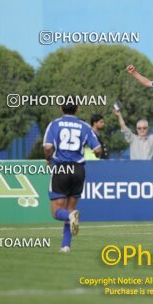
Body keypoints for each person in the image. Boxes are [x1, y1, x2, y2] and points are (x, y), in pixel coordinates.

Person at [43, 99, 101, 253]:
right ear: (78, 108)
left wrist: (48, 159)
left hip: (61, 168)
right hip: (78, 170)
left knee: (57, 211)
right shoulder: (84, 126)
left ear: (61, 107)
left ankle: (70, 217)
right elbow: (97, 150)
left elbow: (48, 148)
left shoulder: (54, 124)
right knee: (70, 209)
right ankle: (65, 245)